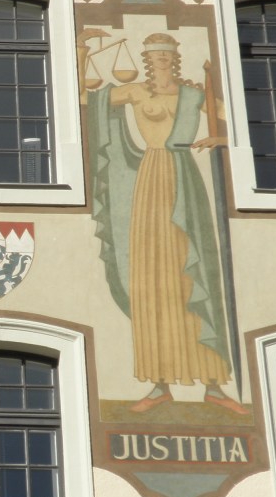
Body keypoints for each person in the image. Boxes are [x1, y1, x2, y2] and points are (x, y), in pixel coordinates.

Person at [79, 30, 246, 415]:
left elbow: (236, 118)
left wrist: (221, 140)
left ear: (175, 59)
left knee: (193, 274)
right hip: (149, 180)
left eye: (167, 55)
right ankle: (159, 383)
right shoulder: (136, 92)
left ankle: (214, 383)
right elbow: (85, 100)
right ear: (146, 59)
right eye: (155, 56)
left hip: (184, 178)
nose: (161, 61)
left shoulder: (192, 94)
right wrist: (80, 48)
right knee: (152, 277)